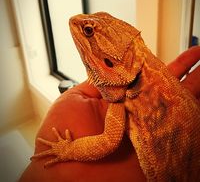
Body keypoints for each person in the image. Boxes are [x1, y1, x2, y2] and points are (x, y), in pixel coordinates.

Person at [19, 46, 200, 182]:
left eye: (89, 31)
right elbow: (109, 140)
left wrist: (68, 150)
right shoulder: (120, 99)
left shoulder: (121, 101)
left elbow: (108, 141)